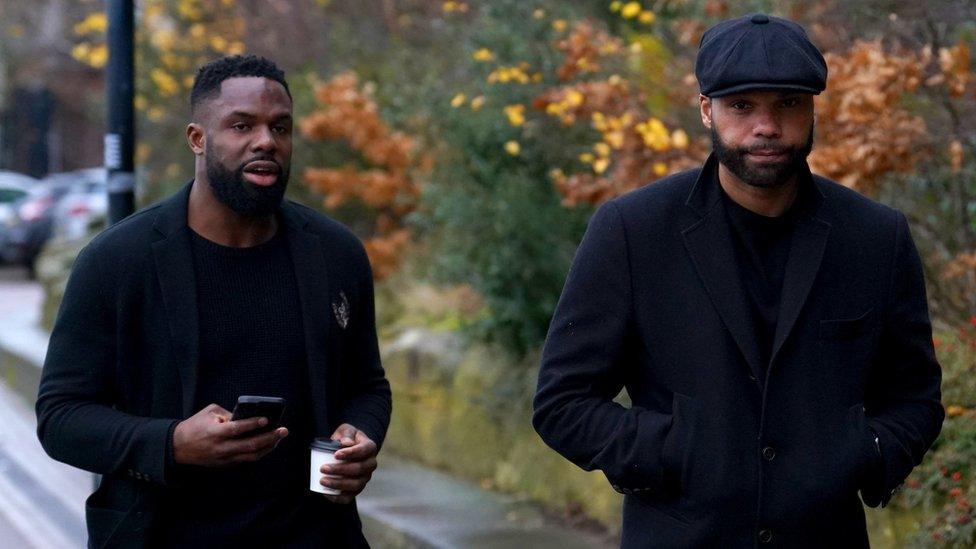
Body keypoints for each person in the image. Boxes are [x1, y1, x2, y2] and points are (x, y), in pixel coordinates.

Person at [532, 13, 943, 548]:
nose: (766, 127)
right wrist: (674, 450)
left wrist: (862, 452)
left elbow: (916, 397)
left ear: (812, 108)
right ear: (707, 110)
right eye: (742, 106)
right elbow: (562, 402)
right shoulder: (633, 231)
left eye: (787, 104)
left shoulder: (874, 236)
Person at [36, 55, 391, 548]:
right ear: (197, 139)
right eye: (241, 125)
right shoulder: (118, 260)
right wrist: (172, 443)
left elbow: (367, 384)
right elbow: (61, 417)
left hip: (314, 536)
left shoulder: (336, 254)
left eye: (280, 127)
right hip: (163, 535)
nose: (266, 141)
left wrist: (360, 434)